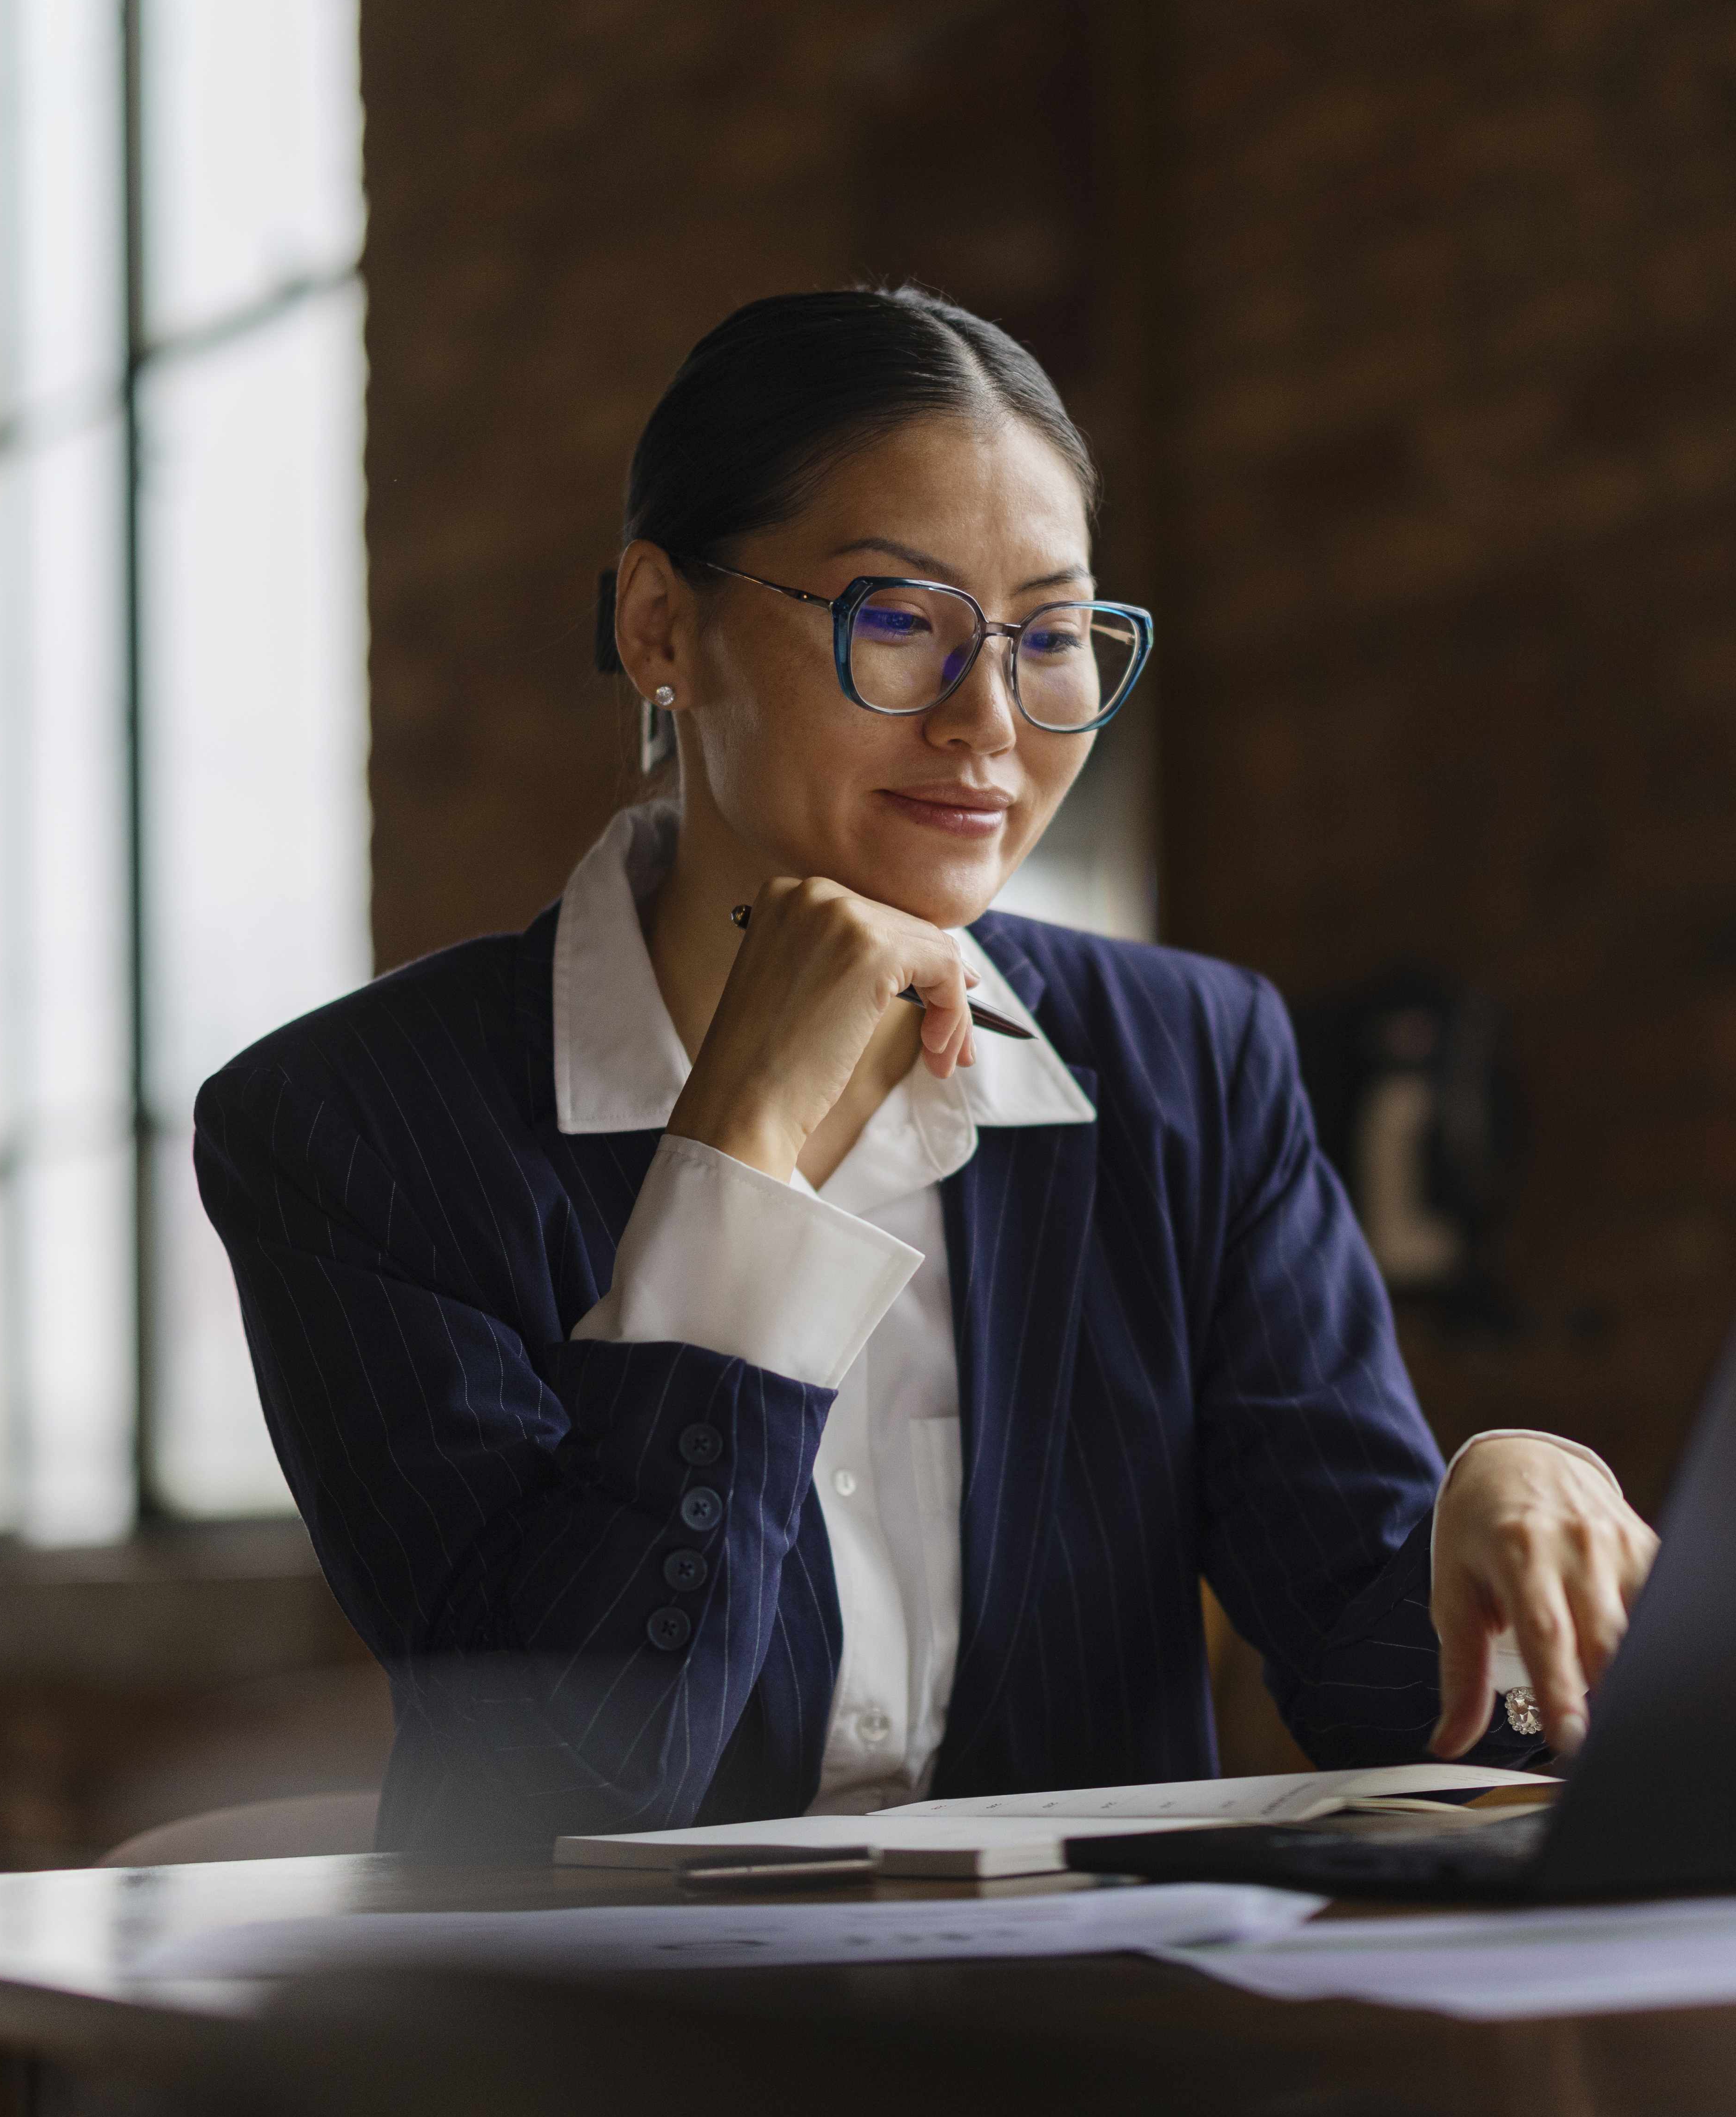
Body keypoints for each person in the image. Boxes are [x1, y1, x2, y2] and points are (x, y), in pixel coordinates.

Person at [197, 286, 1656, 1850]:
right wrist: (738, 1166)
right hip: (612, 2070)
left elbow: (1382, 1681)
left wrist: (1496, 1513)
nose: (990, 720)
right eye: (896, 618)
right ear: (658, 628)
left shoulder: (1195, 1068)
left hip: (1093, 2047)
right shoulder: (353, 1131)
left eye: (1051, 636)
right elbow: (568, 1780)